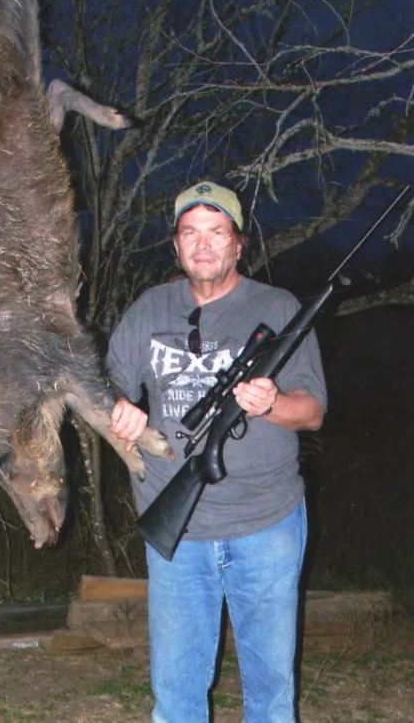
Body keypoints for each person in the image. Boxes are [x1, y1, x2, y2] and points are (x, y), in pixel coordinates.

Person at [107, 181, 327, 723]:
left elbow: (314, 411)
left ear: (238, 244)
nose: (203, 245)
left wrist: (270, 403)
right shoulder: (148, 308)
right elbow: (103, 383)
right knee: (177, 694)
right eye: (190, 233)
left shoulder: (277, 308)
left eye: (216, 232)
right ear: (176, 245)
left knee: (271, 692)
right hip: (176, 536)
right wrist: (119, 409)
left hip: (266, 526)